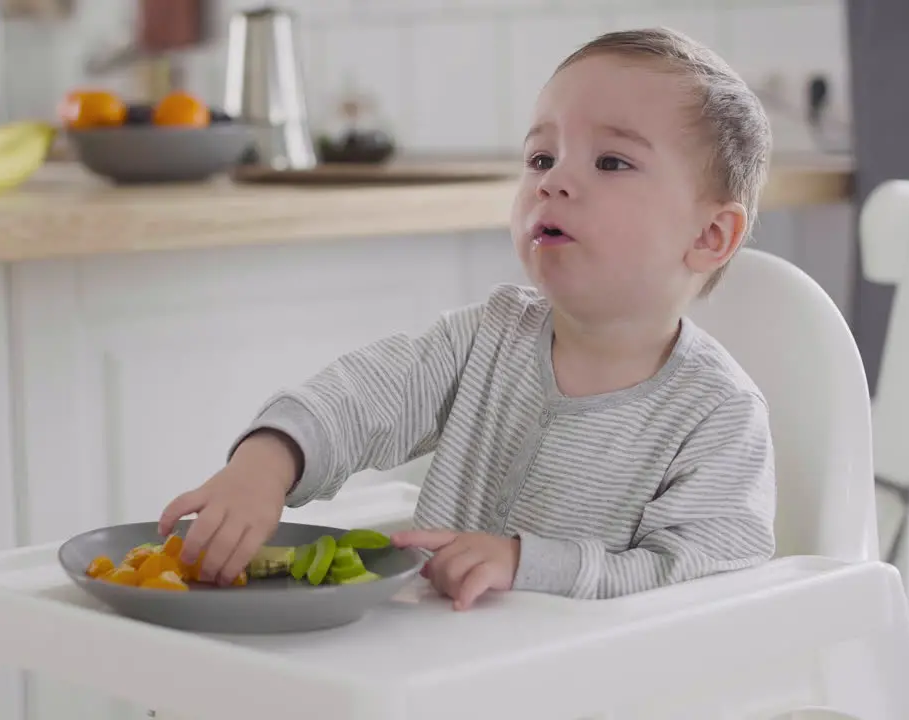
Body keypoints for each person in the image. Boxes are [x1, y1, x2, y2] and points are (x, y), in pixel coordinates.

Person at [159, 27, 777, 610]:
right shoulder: (485, 337)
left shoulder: (719, 414)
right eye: (540, 158)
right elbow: (362, 397)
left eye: (610, 162)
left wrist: (525, 564)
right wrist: (266, 463)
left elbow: (701, 579)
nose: (554, 182)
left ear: (711, 235)